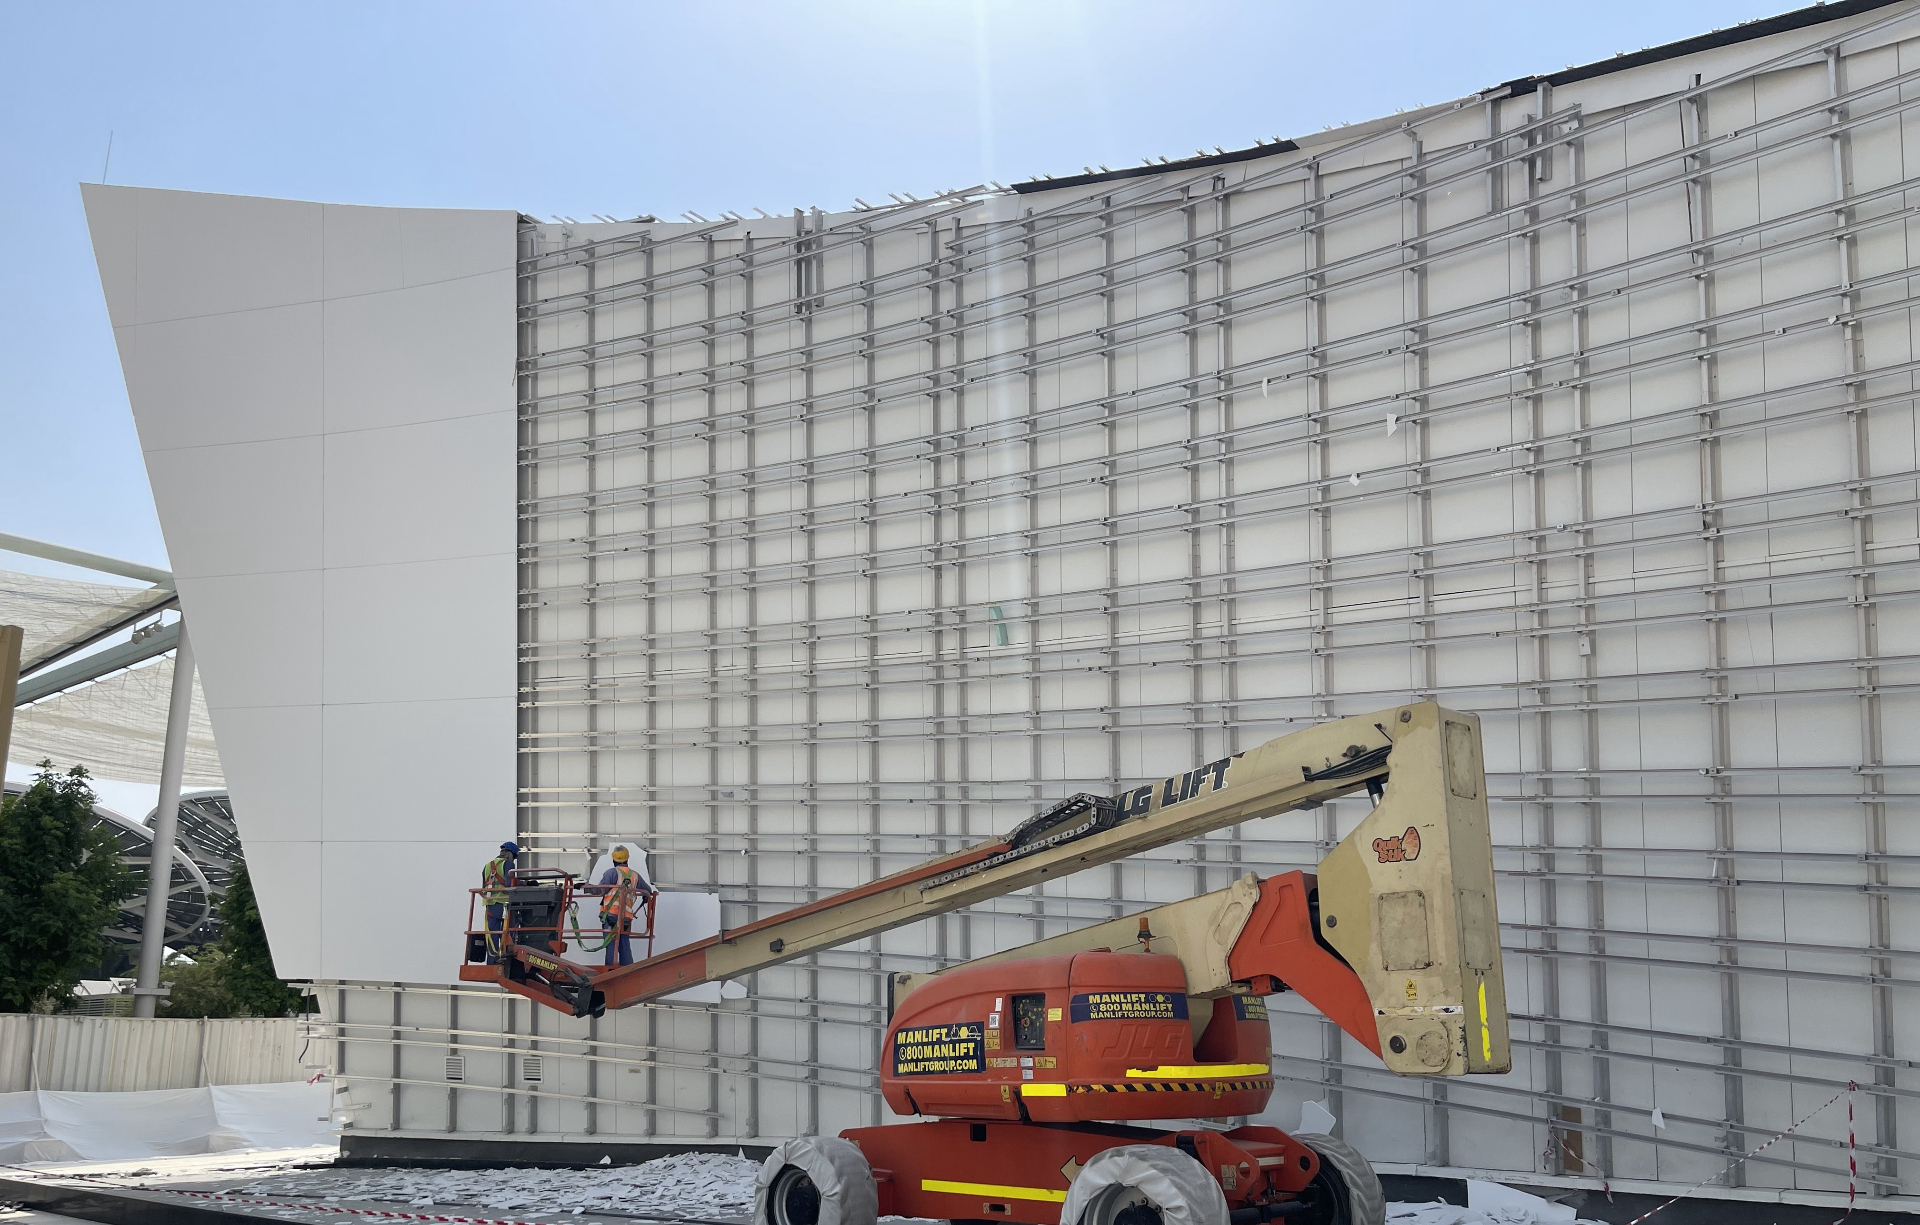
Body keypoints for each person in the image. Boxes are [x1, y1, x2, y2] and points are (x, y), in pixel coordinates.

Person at [596, 846, 654, 967]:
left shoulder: (612, 873)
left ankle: (611, 972)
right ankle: (628, 970)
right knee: (624, 945)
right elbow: (647, 890)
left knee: (611, 946)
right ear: (627, 858)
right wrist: (645, 897)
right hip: (626, 918)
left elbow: (600, 890)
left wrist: (584, 887)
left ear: (614, 860)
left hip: (610, 915)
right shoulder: (635, 875)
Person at [482, 841, 518, 963]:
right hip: (504, 905)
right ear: (509, 854)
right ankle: (508, 960)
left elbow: (483, 887)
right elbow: (509, 884)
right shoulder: (508, 864)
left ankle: (492, 962)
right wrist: (526, 884)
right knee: (510, 932)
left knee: (493, 935)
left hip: (490, 906)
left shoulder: (487, 866)